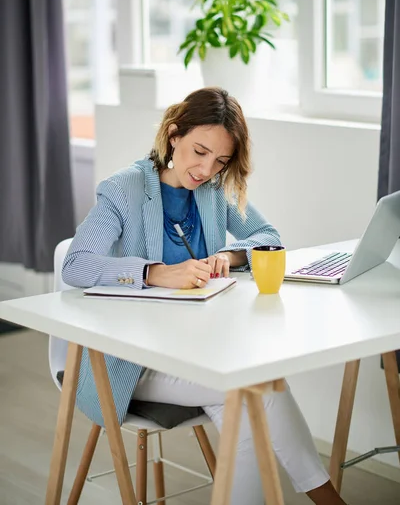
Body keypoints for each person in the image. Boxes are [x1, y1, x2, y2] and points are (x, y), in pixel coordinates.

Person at [62, 87, 346, 505]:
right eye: (199, 151)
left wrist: (228, 257)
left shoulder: (213, 192)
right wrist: (155, 273)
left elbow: (269, 238)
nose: (205, 169)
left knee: (248, 406)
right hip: (132, 360)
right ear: (174, 135)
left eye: (220, 161)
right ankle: (328, 499)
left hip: (199, 350)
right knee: (257, 391)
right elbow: (76, 266)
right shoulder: (123, 189)